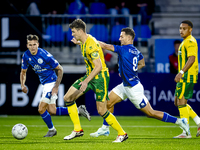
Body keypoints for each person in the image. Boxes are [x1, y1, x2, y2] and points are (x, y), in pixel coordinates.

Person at [86, 27, 189, 138]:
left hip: (133, 88)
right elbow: (142, 63)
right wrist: (130, 70)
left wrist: (87, 38)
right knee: (108, 103)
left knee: (151, 113)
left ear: (129, 38)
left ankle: (179, 121)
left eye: (122, 36)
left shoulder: (123, 49)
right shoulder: (136, 51)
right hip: (125, 85)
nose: (119, 38)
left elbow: (104, 46)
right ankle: (105, 129)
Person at [63, 19, 128, 143]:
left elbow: (98, 67)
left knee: (102, 110)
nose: (72, 34)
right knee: (68, 98)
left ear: (80, 31)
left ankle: (122, 133)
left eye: (73, 32)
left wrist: (86, 81)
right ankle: (77, 130)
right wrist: (79, 43)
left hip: (100, 77)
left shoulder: (91, 44)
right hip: (90, 75)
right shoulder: (85, 40)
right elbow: (88, 45)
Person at [20, 34, 90, 137]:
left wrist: (55, 87)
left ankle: (52, 130)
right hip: (45, 84)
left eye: (34, 44)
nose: (33, 47)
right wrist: (22, 85)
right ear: (27, 45)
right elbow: (23, 72)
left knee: (41, 109)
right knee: (52, 111)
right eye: (30, 45)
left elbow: (60, 69)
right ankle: (78, 110)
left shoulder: (45, 55)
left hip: (51, 82)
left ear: (38, 44)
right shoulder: (26, 55)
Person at [173, 20, 200, 138]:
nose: (181, 31)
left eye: (184, 28)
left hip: (187, 76)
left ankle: (186, 132)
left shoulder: (190, 41)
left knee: (181, 102)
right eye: (180, 28)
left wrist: (181, 72)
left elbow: (192, 59)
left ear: (190, 30)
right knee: (178, 102)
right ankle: (199, 122)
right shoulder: (185, 41)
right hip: (184, 77)